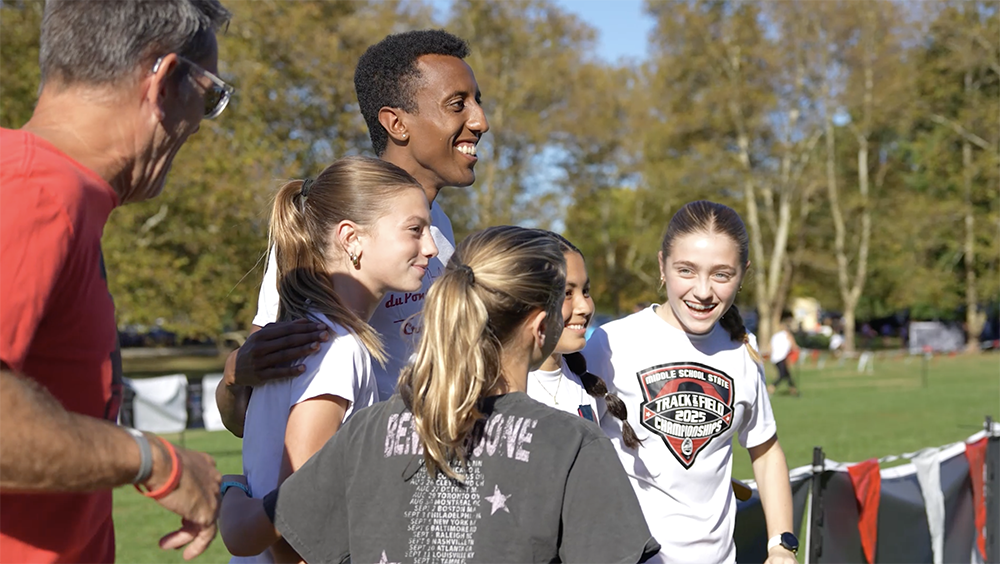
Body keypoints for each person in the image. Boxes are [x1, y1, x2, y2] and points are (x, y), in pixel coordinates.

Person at [219, 226, 660, 564]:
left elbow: (248, 534)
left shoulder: (370, 428)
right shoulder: (573, 445)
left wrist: (232, 489)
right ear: (541, 326)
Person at [0, 1, 232, 562]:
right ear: (166, 79)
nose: (200, 122)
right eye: (210, 94)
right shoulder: (35, 191)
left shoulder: (56, 193)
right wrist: (153, 460)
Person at [216, 29, 489, 436]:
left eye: (477, 102)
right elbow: (252, 408)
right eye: (457, 105)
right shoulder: (329, 224)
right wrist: (234, 378)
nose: (480, 121)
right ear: (396, 123)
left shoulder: (441, 228)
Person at [227, 156, 437, 564]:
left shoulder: (317, 337)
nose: (429, 247)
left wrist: (231, 496)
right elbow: (293, 530)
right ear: (351, 238)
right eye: (415, 230)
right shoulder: (337, 349)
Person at [584, 201, 798, 564]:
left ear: (742, 274)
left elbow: (765, 449)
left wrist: (781, 545)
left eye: (721, 274)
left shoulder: (743, 349)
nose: (702, 291)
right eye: (686, 270)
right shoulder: (610, 344)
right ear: (662, 266)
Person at [526, 233, 640, 448]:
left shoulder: (585, 382)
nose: (585, 307)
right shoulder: (498, 388)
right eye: (567, 293)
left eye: (585, 291)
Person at [768, 315, 800, 396]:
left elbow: (770, 347)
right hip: (781, 357)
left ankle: (793, 389)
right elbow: (793, 345)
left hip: (774, 358)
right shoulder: (787, 335)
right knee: (783, 374)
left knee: (787, 374)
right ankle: (772, 387)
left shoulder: (775, 336)